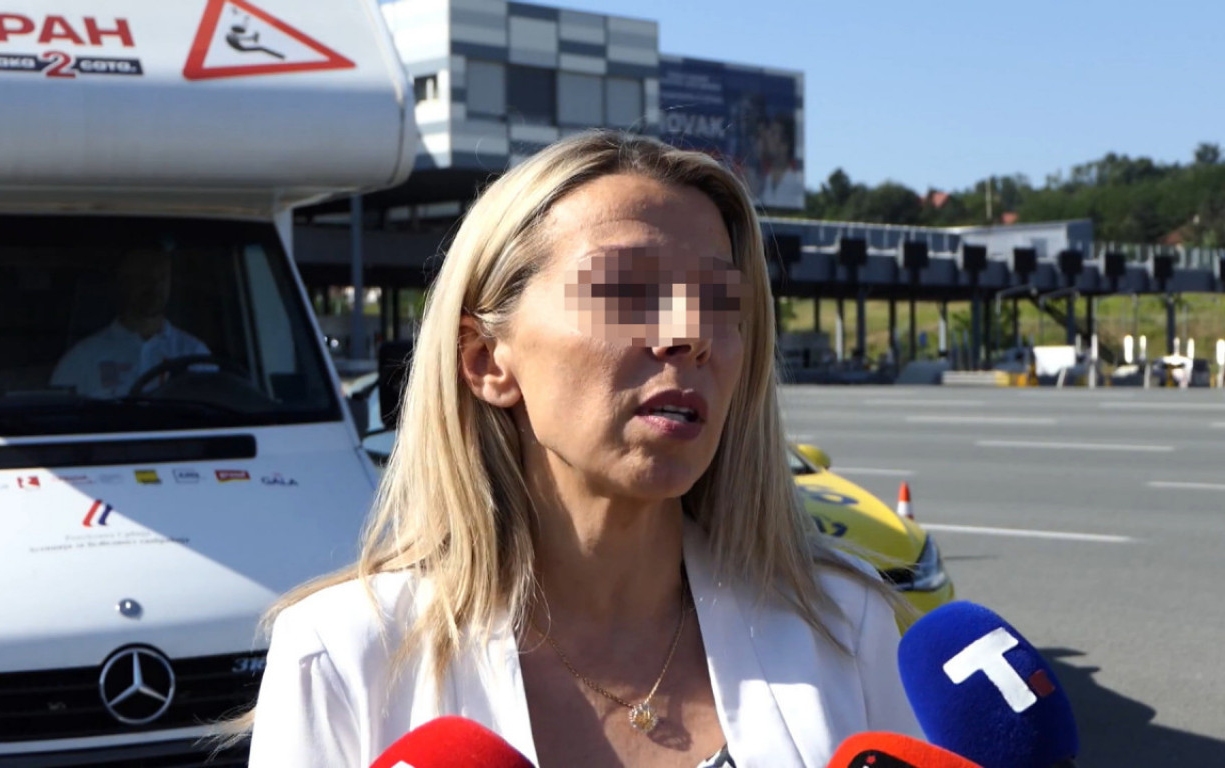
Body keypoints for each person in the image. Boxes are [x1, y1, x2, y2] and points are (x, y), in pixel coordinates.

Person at [237, 131, 922, 767]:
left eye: (721, 301)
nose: (691, 334)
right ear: (485, 361)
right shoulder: (342, 658)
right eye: (626, 289)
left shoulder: (842, 625)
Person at [51, 248, 209, 398]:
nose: (154, 286)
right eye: (143, 277)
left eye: (162, 277)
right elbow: (59, 411)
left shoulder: (195, 353)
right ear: (123, 282)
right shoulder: (83, 357)